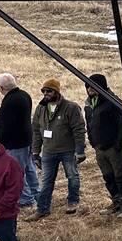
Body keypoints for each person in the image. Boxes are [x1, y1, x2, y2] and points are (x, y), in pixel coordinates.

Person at [29, 78, 86, 220]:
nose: (46, 93)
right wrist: (35, 152)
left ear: (57, 91)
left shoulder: (71, 107)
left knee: (72, 176)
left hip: (68, 150)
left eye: (49, 90)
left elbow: (79, 129)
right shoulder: (41, 108)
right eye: (44, 91)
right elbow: (36, 130)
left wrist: (80, 150)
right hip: (48, 151)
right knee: (46, 180)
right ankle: (42, 209)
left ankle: (73, 202)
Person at [85, 74, 122, 215]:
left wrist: (118, 146)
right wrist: (93, 143)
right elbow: (89, 125)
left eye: (93, 86)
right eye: (88, 87)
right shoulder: (88, 105)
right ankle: (117, 203)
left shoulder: (113, 102)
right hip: (99, 149)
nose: (89, 89)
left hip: (114, 148)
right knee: (108, 178)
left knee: (121, 177)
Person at [0, 73, 38, 210]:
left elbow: (7, 125)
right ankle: (36, 193)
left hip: (15, 143)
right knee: (29, 169)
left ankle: (26, 199)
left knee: (17, 172)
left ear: (1, 88)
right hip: (26, 140)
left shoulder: (11, 101)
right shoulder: (24, 95)